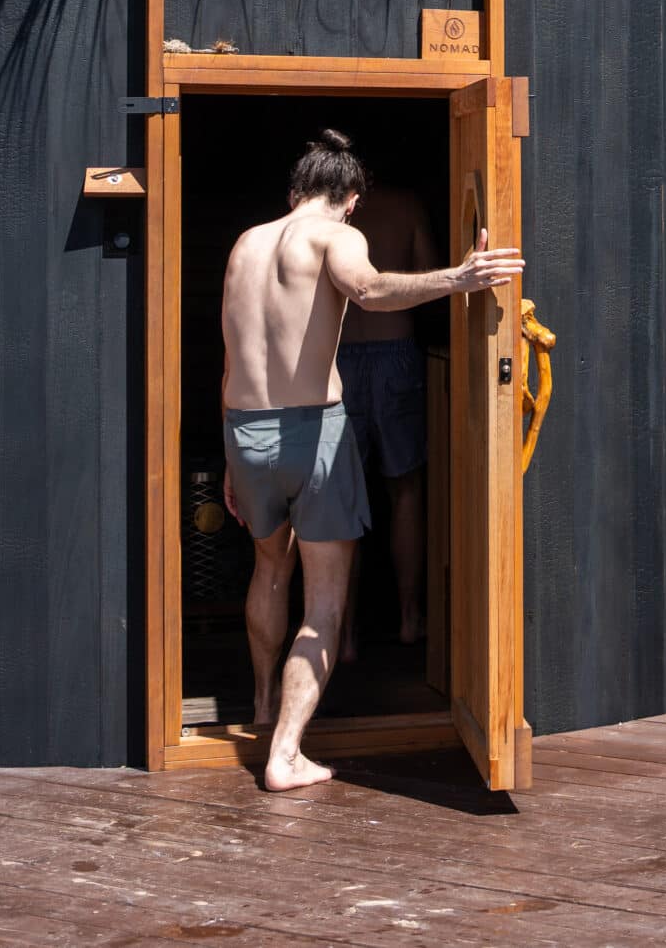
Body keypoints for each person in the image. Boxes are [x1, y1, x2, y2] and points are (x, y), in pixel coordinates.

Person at [220, 129, 522, 791]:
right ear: (349, 199)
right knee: (324, 600)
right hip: (314, 432)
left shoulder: (245, 244)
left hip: (245, 430)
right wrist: (461, 278)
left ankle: (263, 705)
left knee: (271, 567)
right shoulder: (336, 235)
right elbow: (371, 288)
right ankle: (284, 753)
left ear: (293, 189)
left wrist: (230, 458)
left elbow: (231, 354)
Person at [339, 178, 442, 652]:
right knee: (405, 490)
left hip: (338, 354)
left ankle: (343, 634)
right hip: (395, 349)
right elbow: (427, 278)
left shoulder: (329, 215)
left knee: (340, 499)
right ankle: (408, 618)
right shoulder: (406, 202)